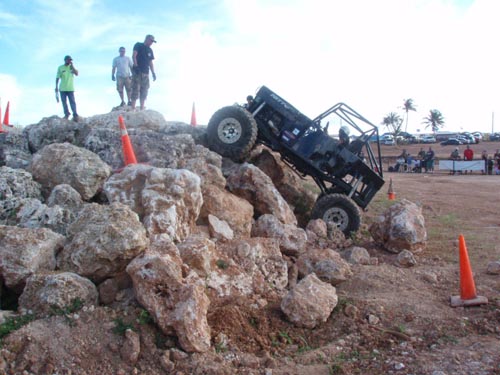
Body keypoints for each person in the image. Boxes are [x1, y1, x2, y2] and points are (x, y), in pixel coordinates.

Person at [131, 34, 157, 110]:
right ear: (147, 39)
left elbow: (150, 62)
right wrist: (135, 66)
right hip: (138, 71)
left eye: (153, 41)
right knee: (135, 89)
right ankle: (133, 108)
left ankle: (142, 108)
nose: (152, 43)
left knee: (144, 90)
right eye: (151, 41)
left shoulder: (150, 50)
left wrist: (153, 73)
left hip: (146, 72)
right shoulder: (138, 45)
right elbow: (134, 56)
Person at [55, 55, 79, 122]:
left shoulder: (71, 68)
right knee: (64, 102)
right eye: (69, 60)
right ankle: (66, 114)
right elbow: (57, 78)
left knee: (72, 102)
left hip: (70, 88)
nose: (70, 61)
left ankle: (75, 115)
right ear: (65, 60)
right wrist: (56, 87)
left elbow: (77, 74)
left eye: (70, 60)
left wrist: (72, 66)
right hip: (62, 88)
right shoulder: (60, 68)